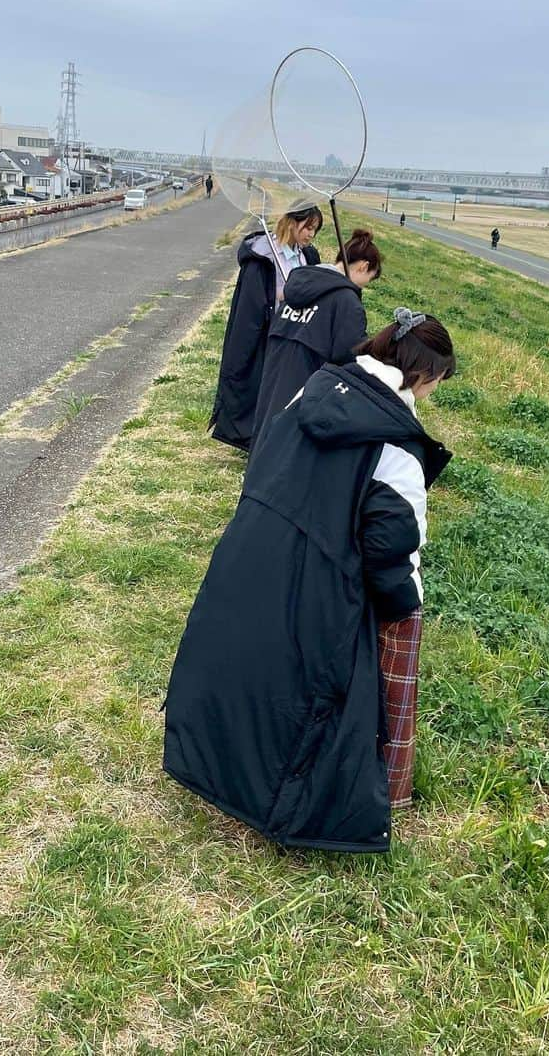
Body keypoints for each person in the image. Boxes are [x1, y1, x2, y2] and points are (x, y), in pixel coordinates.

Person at [164, 308, 455, 852]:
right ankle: (291, 806)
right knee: (311, 693)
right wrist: (404, 606)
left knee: (243, 661)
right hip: (318, 588)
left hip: (250, 550)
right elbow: (392, 554)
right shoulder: (398, 449)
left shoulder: (315, 387)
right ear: (424, 377)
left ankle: (207, 755)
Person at [251, 228, 382, 446]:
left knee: (269, 428)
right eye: (369, 278)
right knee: (289, 440)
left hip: (274, 368)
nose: (364, 286)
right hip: (307, 382)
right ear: (363, 266)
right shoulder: (346, 301)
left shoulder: (301, 282)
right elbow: (349, 354)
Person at [209, 202, 323, 451]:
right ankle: (253, 439)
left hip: (293, 334)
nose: (311, 235)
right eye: (308, 228)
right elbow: (256, 302)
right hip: (266, 335)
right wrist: (285, 295)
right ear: (292, 222)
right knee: (260, 387)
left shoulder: (307, 256)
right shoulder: (263, 257)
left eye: (315, 230)